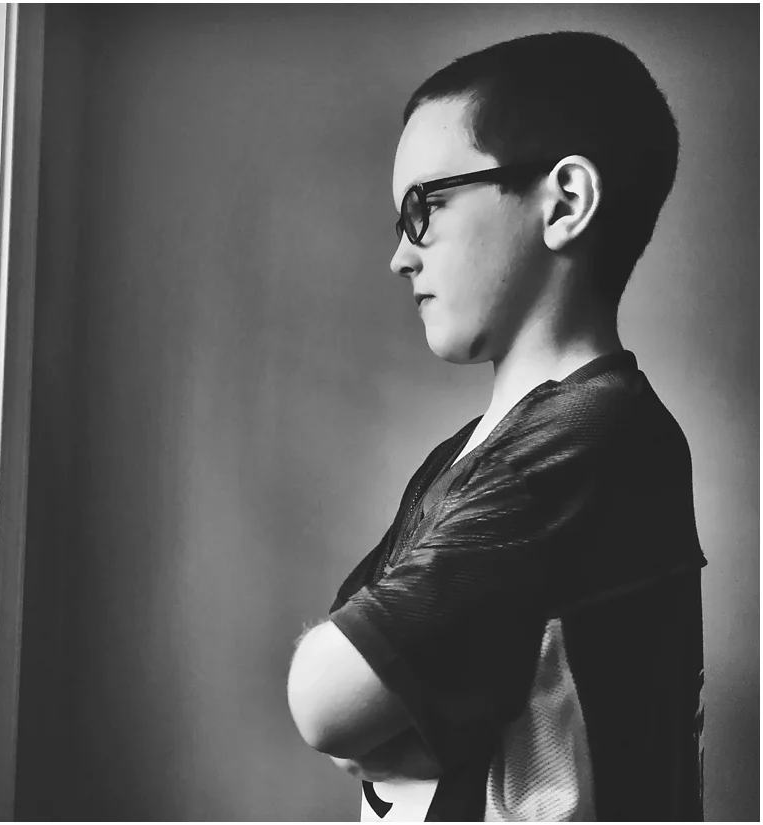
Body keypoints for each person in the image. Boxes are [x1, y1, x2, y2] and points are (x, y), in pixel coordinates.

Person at [286, 30, 706, 821]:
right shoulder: (469, 453)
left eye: (426, 208)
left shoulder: (592, 438)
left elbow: (326, 698)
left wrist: (399, 713)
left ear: (566, 202)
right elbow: (353, 706)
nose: (400, 257)